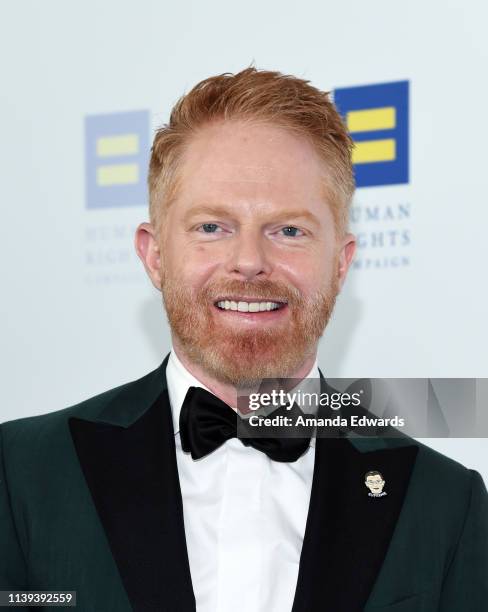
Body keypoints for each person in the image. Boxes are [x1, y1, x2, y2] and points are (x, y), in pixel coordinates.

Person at [1, 67, 487, 612]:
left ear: (341, 262)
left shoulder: (446, 503)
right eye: (212, 227)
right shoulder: (20, 473)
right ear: (154, 255)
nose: (250, 262)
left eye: (289, 230)